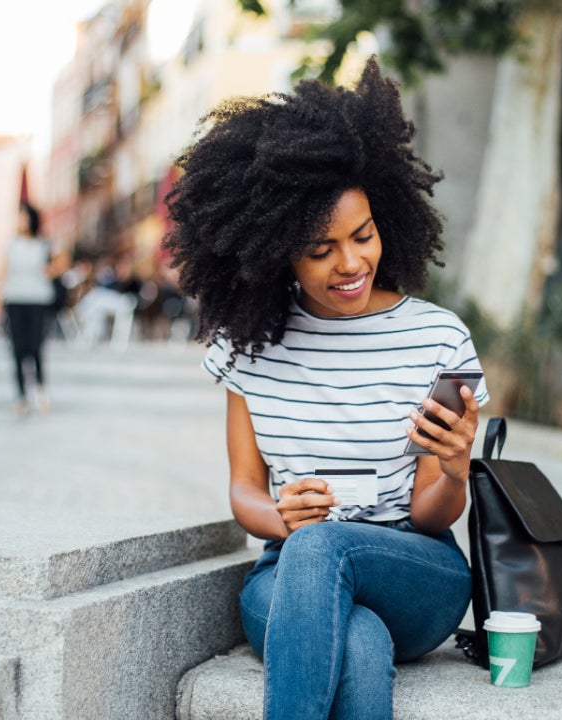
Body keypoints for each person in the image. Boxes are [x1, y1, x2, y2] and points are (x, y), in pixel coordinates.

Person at [162, 57, 489, 719]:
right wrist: (282, 517)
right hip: (285, 575)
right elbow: (245, 490)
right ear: (278, 248)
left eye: (362, 236)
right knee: (358, 638)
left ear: (384, 223)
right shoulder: (249, 344)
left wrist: (454, 470)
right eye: (320, 249)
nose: (350, 263)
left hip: (417, 568)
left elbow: (432, 514)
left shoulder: (437, 337)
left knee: (322, 550)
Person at [0, 204, 68, 416]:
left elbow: (63, 263)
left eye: (23, 217)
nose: (21, 222)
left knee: (35, 346)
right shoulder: (11, 245)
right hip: (14, 299)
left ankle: (41, 389)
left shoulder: (44, 244)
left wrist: (51, 270)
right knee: (17, 348)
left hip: (39, 299)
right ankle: (21, 394)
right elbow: (2, 273)